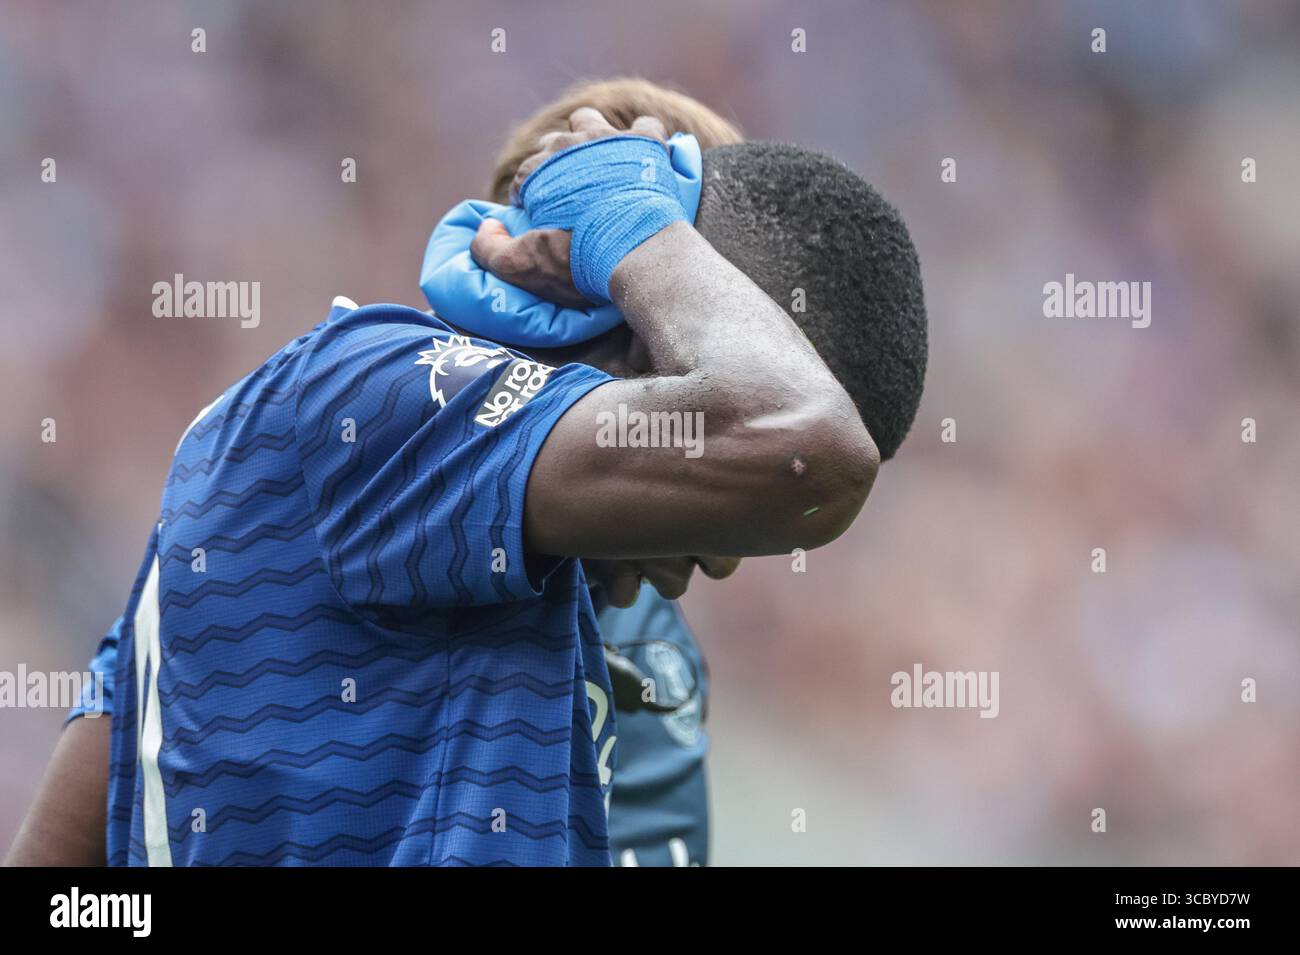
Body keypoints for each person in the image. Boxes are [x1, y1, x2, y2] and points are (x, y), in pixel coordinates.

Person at [7, 92, 926, 866]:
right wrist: (629, 218)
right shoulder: (369, 392)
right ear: (632, 296)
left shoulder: (637, 647)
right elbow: (803, 448)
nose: (730, 562)